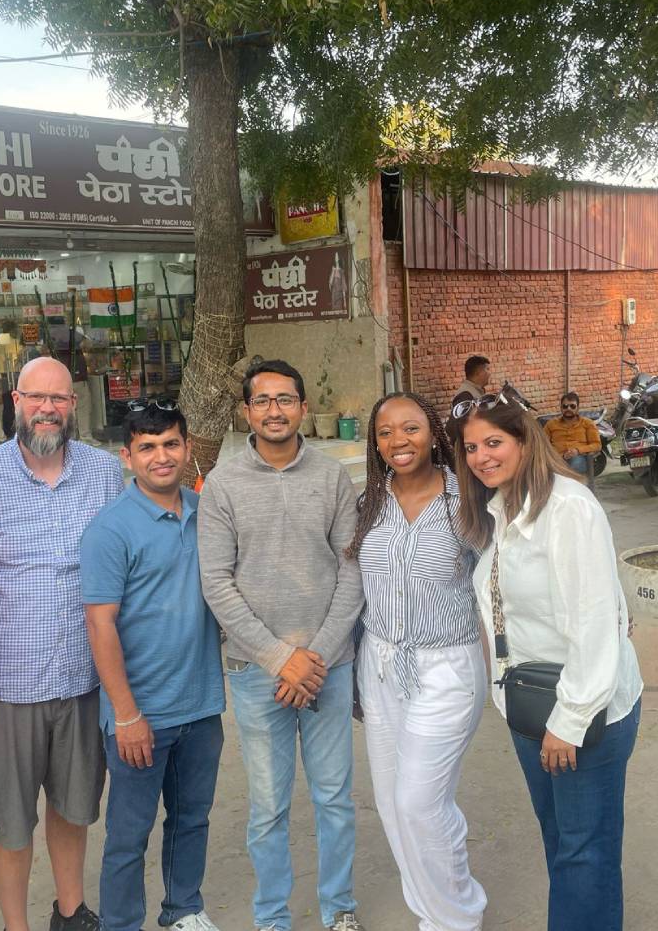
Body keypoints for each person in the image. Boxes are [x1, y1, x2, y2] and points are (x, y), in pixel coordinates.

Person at [0, 357, 124, 931]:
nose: (48, 408)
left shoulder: (103, 472)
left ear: (74, 406)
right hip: (3, 687)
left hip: (82, 680)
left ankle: (70, 913)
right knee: (9, 821)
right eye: (36, 397)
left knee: (74, 810)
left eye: (60, 398)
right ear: (14, 400)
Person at [453, 392, 643, 931]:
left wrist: (570, 721)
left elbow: (594, 622)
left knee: (586, 852)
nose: (482, 457)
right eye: (471, 448)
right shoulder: (499, 508)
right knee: (562, 842)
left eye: (494, 442)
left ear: (523, 440)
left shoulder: (568, 507)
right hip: (531, 705)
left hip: (583, 711)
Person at [198, 359, 365, 931]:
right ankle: (272, 918)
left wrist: (313, 655)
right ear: (247, 411)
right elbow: (215, 582)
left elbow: (352, 571)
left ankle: (339, 909)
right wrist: (280, 659)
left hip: (327, 667)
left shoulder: (331, 476)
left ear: (301, 407)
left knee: (335, 800)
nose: (275, 410)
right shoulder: (222, 484)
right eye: (263, 400)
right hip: (256, 672)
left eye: (286, 399)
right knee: (268, 809)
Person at [82, 400, 226, 931]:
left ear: (187, 449)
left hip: (202, 703)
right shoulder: (110, 530)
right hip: (140, 714)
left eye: (170, 444)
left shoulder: (207, 514)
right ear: (128, 456)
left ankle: (183, 908)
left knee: (192, 819)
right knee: (129, 833)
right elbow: (100, 625)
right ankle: (121, 923)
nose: (160, 456)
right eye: (147, 447)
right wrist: (125, 713)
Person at [347, 392, 487, 931]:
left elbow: (503, 575)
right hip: (379, 667)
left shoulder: (467, 502)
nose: (397, 442)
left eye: (410, 429)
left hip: (446, 667)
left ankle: (459, 916)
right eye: (385, 433)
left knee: (420, 802)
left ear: (433, 433)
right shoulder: (368, 504)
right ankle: (431, 913)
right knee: (391, 804)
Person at [542, 392, 602, 481]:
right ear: (561, 408)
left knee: (575, 463)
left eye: (572, 406)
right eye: (565, 406)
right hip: (556, 459)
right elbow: (542, 443)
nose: (568, 409)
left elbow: (597, 445)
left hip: (578, 457)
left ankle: (572, 489)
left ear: (578, 408)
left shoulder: (587, 423)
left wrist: (577, 451)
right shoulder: (551, 424)